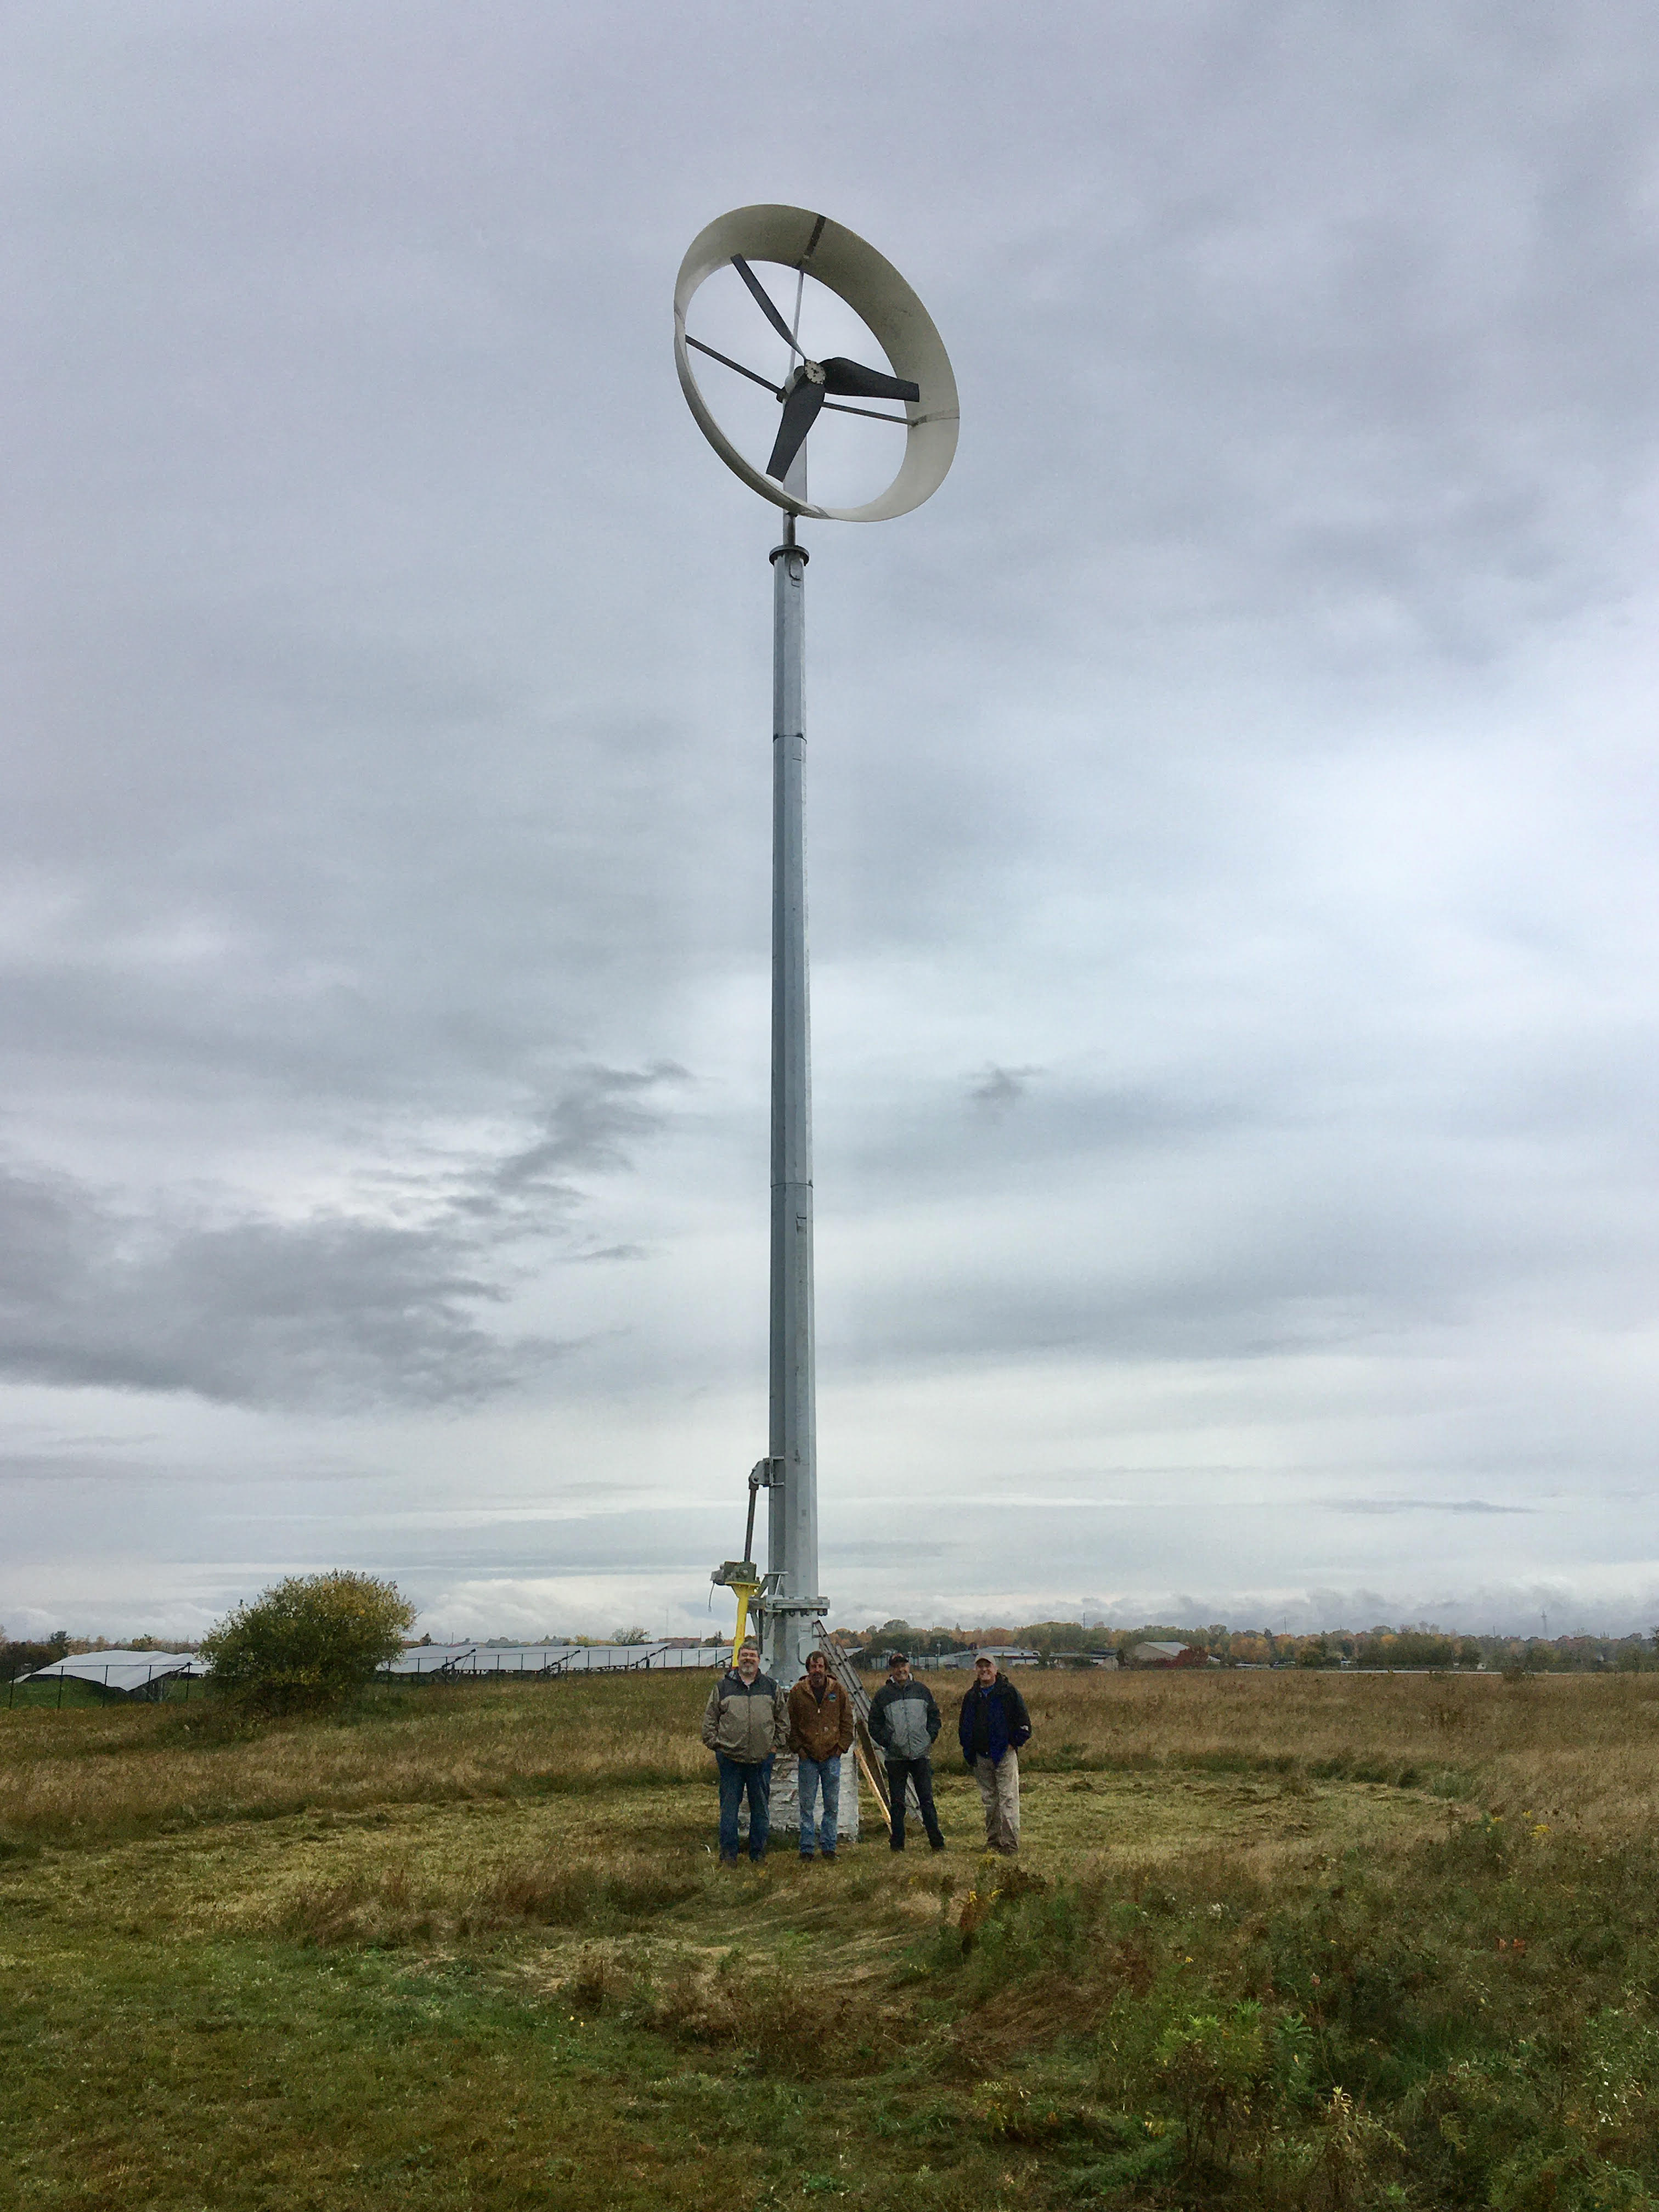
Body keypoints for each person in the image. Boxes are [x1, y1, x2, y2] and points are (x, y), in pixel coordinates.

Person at [701, 1638, 789, 1865]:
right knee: (729, 1809)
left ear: (759, 1661)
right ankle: (728, 1855)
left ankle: (758, 1854)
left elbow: (783, 1719)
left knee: (760, 1808)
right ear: (738, 1659)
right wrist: (716, 1744)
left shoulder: (771, 1687)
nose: (748, 1659)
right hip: (731, 1759)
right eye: (744, 1655)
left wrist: (774, 1745)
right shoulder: (723, 1687)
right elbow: (710, 1718)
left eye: (752, 1656)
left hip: (761, 1759)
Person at [868, 1651, 945, 1852]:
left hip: (921, 1755)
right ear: (891, 1671)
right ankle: (898, 1845)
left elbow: (935, 1717)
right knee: (898, 1804)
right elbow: (874, 1725)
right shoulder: (882, 1695)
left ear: (909, 1667)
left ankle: (937, 1843)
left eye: (903, 1666)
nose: (901, 1670)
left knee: (927, 1801)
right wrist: (889, 1742)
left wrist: (929, 1738)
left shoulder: (922, 1690)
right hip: (896, 1757)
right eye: (896, 1667)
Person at [957, 1651, 1032, 1853]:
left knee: (1008, 1799)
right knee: (990, 1801)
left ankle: (1009, 1844)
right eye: (980, 1666)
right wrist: (969, 1751)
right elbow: (964, 1726)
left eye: (988, 1666)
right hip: (981, 1757)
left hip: (1004, 1755)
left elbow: (1024, 1724)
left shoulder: (1008, 1693)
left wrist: (1012, 1743)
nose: (984, 1670)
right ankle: (993, 1842)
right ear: (976, 1670)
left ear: (995, 1669)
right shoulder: (972, 1696)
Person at [787, 1646, 855, 1860]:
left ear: (826, 1669)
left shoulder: (838, 1691)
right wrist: (799, 1748)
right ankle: (807, 1848)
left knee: (831, 1805)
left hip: (831, 1757)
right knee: (806, 1806)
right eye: (813, 1666)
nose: (817, 1670)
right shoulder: (798, 1692)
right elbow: (791, 1723)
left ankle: (829, 1847)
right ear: (808, 1669)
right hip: (808, 1757)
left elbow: (847, 1721)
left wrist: (841, 1748)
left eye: (820, 1666)